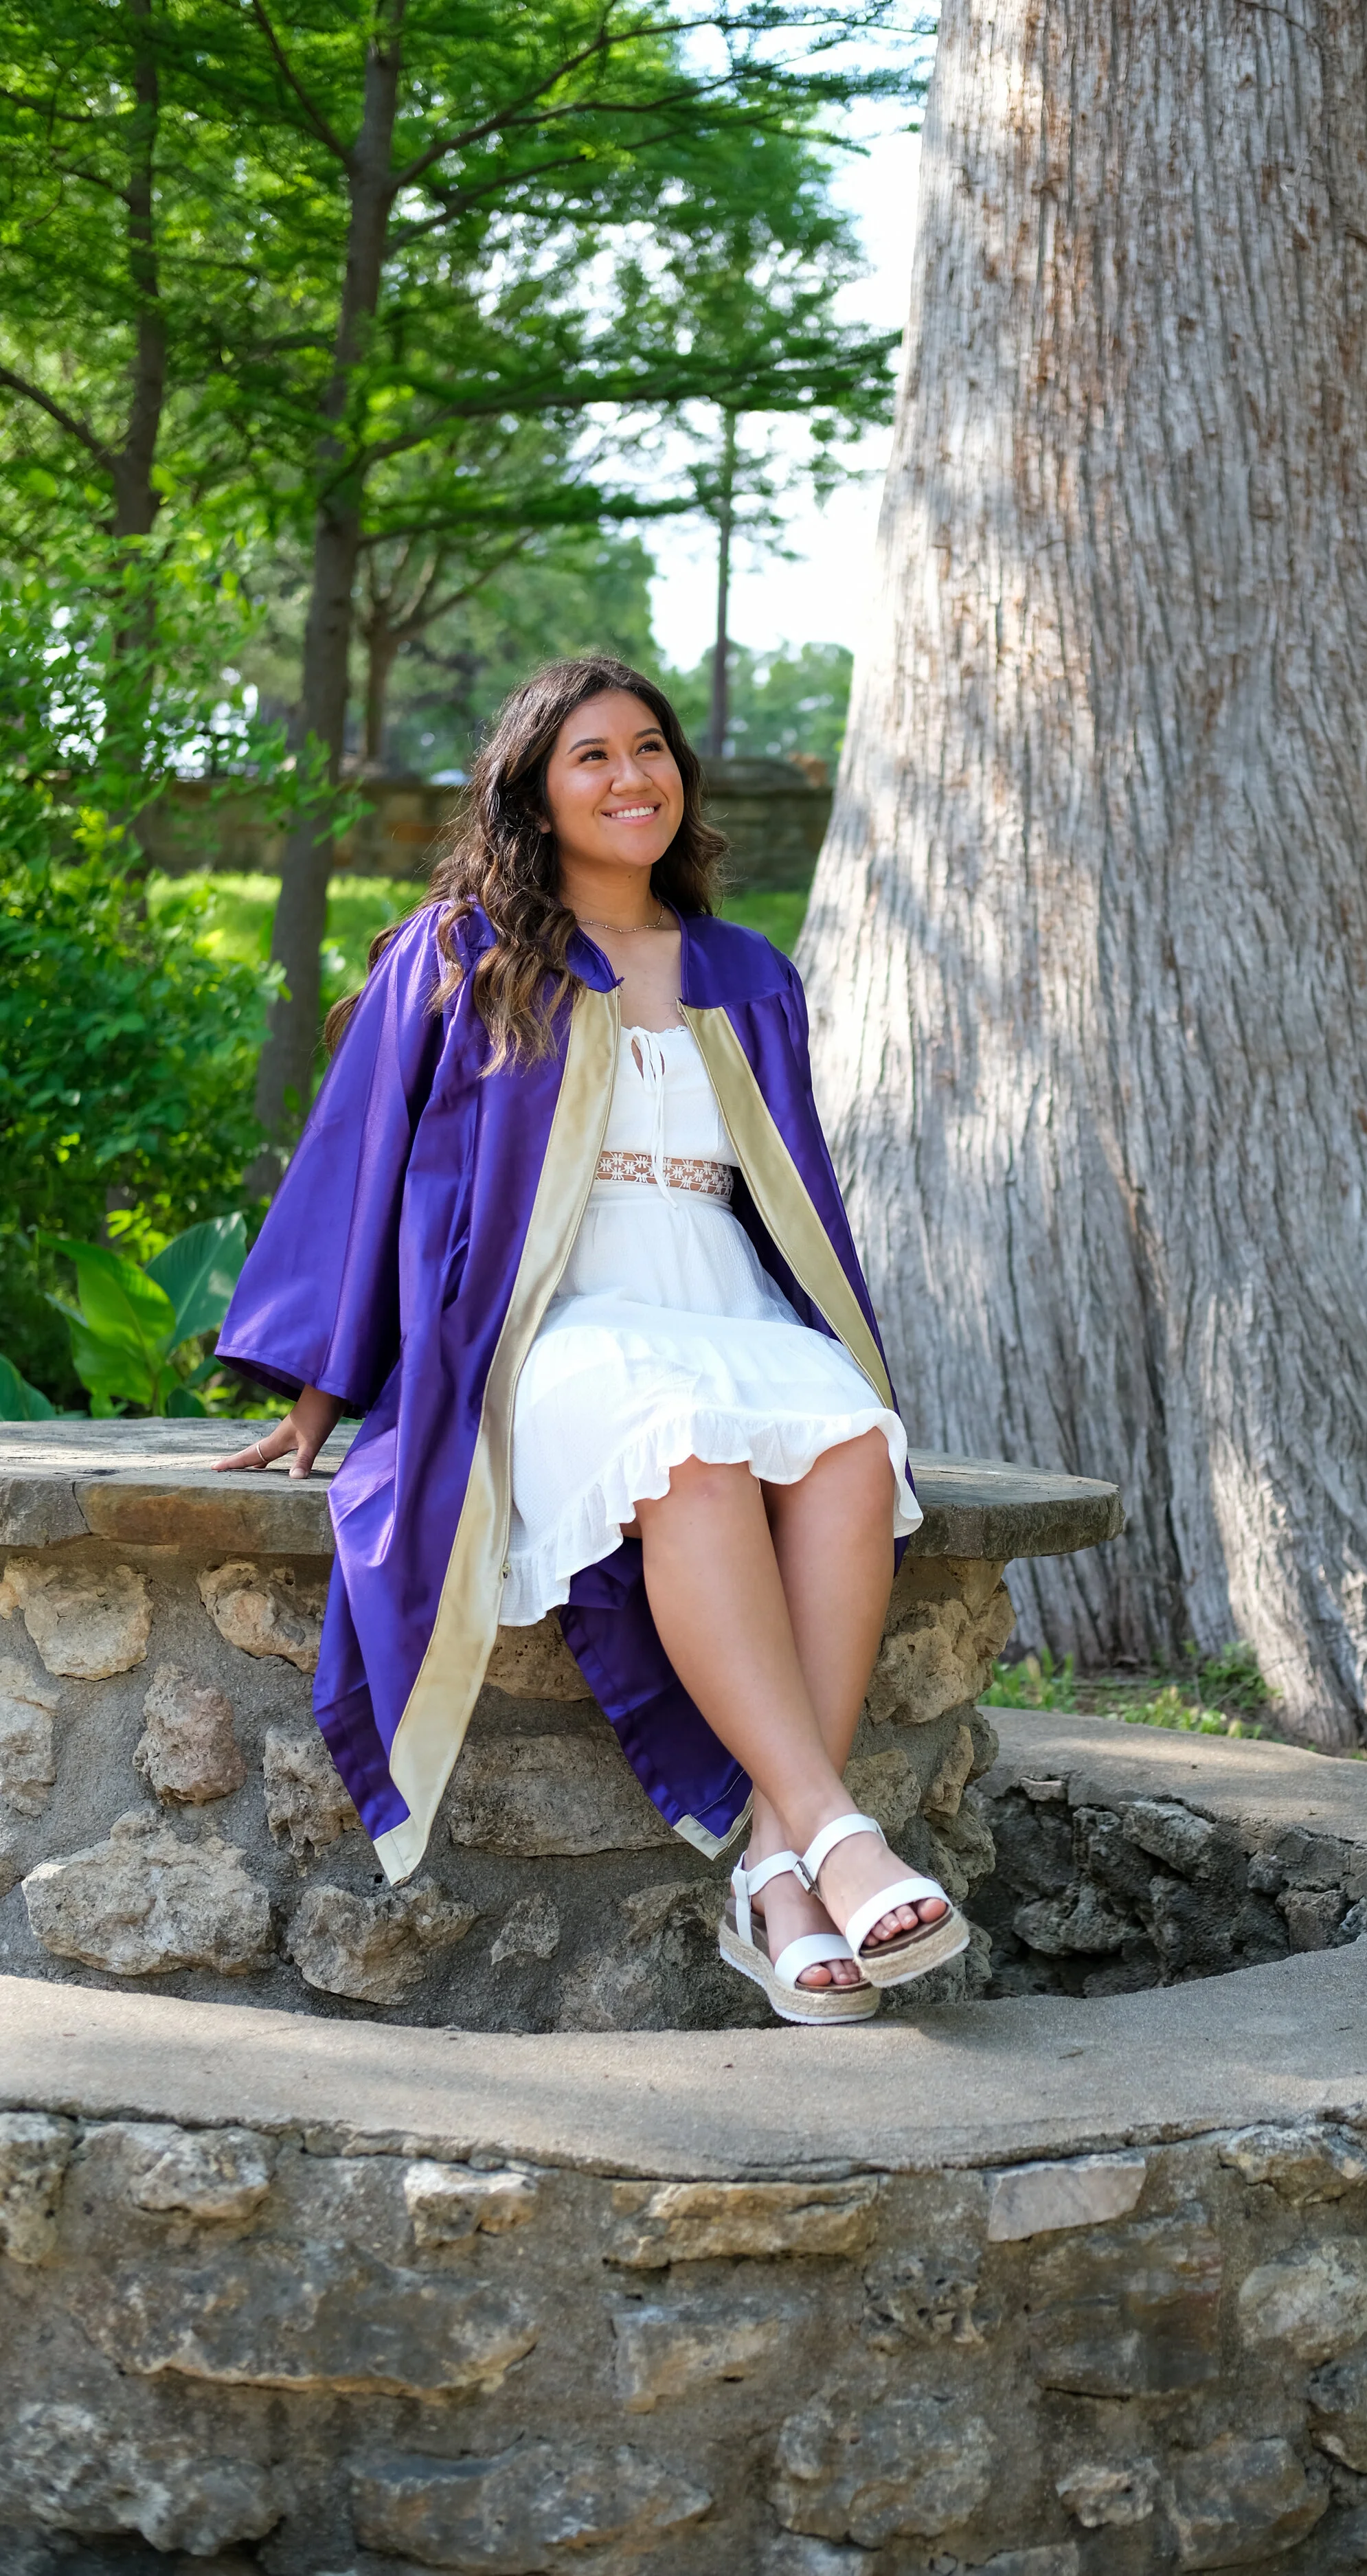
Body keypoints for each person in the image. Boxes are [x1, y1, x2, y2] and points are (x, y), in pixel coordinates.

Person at [214, 655, 966, 2022]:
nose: (632, 778)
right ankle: (829, 1842)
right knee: (677, 1447)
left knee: (856, 1446)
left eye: (650, 749)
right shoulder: (462, 954)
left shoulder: (744, 974)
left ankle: (777, 1880)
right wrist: (321, 1389)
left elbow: (784, 1193)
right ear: (535, 791)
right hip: (551, 1312)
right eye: (592, 757)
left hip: (720, 1297)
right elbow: (359, 1161)